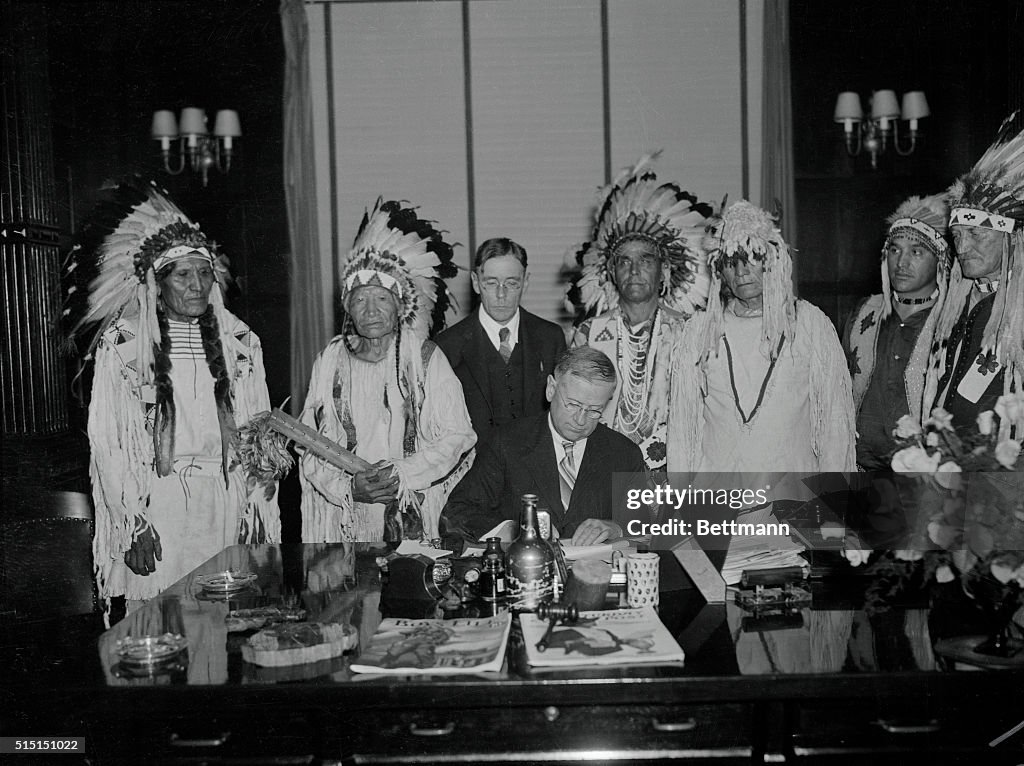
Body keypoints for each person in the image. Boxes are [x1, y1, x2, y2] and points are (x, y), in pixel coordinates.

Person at [69, 181, 280, 611]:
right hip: (159, 505)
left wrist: (256, 509)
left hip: (226, 497)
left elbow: (259, 433)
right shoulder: (125, 344)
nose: (197, 285)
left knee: (222, 624)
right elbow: (110, 443)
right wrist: (132, 523)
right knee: (159, 623)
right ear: (157, 282)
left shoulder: (240, 341)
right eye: (183, 275)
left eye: (204, 273)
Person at [299, 198, 476, 543]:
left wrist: (402, 475)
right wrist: (348, 487)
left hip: (412, 504)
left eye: (382, 298)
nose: (371, 310)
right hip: (347, 514)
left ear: (400, 305)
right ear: (348, 307)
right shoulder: (330, 361)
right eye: (360, 299)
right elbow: (309, 444)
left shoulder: (425, 359)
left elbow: (459, 435)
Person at [671, 200, 857, 476]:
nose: (742, 271)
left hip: (792, 498)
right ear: (719, 271)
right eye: (731, 262)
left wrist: (834, 507)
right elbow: (682, 429)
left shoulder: (808, 324)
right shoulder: (699, 331)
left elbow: (835, 422)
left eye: (752, 257)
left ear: (772, 259)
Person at [565, 154, 713, 475]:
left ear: (664, 271)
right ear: (611, 273)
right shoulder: (589, 333)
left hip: (676, 473)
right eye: (624, 261)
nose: (634, 270)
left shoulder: (689, 331)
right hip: (604, 469)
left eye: (646, 260)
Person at [443, 347, 646, 545]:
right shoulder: (507, 442)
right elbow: (456, 512)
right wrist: (516, 531)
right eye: (573, 405)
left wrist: (616, 527)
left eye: (594, 410)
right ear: (551, 389)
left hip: (595, 574)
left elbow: (651, 521)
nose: (581, 420)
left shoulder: (624, 453)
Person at [923, 116, 1024, 443]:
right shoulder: (955, 303)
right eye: (957, 235)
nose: (962, 248)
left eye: (977, 234)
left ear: (1010, 239)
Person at [844, 194, 951, 470]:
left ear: (939, 260)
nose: (901, 263)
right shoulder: (865, 313)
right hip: (860, 468)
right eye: (894, 250)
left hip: (925, 473)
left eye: (916, 252)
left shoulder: (951, 320)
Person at [435, 238, 566, 445]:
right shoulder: (447, 345)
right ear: (476, 283)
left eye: (512, 283)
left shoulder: (550, 337)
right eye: (491, 283)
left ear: (526, 283)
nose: (501, 294)